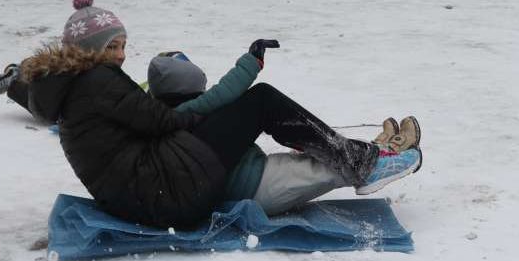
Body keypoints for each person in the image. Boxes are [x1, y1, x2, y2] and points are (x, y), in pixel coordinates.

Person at [9, 0, 423, 231]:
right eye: (111, 47)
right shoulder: (97, 82)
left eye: (122, 45)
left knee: (253, 104)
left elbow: (153, 120)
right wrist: (231, 105)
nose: (120, 55)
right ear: (89, 52)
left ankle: (360, 156)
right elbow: (169, 121)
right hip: (168, 189)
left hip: (149, 190)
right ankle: (364, 165)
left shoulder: (73, 89)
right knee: (262, 102)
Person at [146, 48, 420, 215]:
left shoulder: (168, 114)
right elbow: (223, 94)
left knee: (323, 153)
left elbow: (223, 94)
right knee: (328, 166)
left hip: (253, 175)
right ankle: (374, 162)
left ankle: (372, 153)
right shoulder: (183, 115)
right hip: (254, 187)